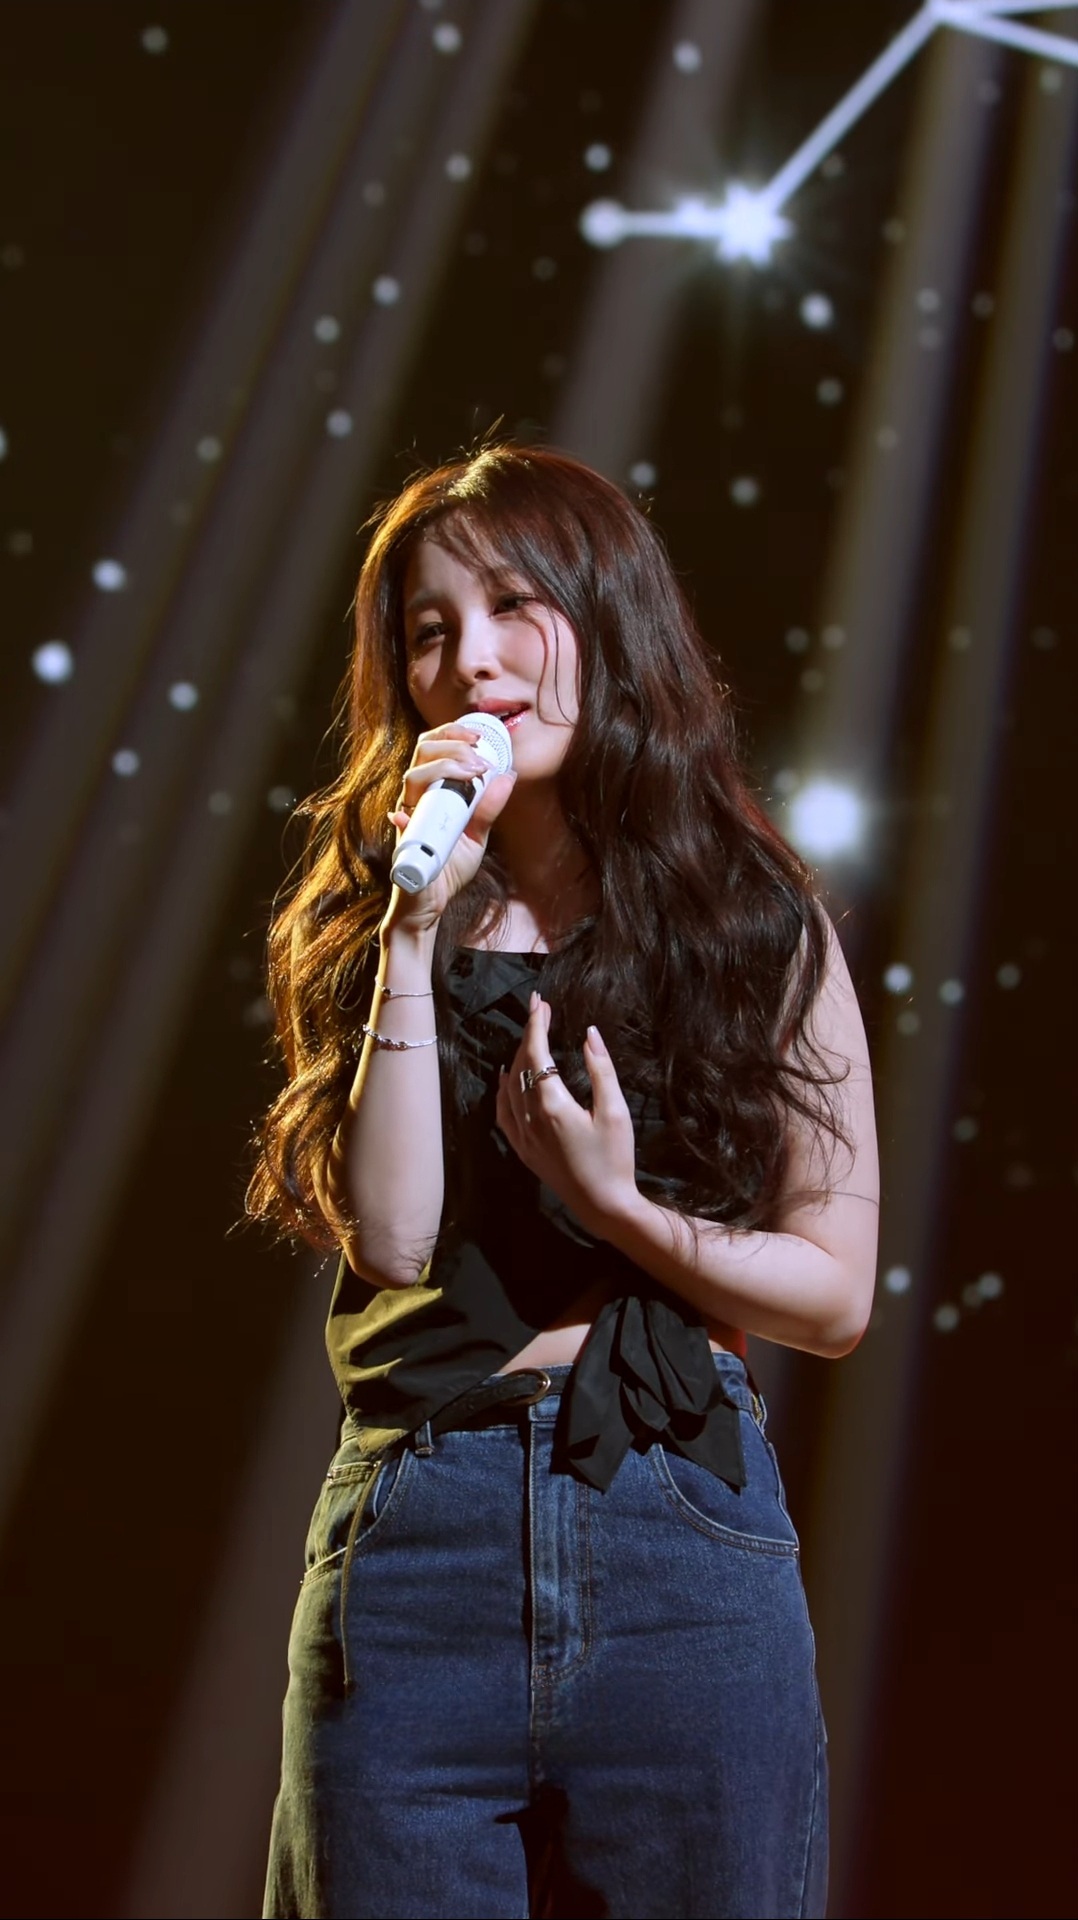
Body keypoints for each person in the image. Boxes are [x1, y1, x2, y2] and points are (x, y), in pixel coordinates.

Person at [248, 443, 879, 1920]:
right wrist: (415, 931)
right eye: (428, 631)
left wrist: (623, 1215)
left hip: (677, 1532)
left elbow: (834, 1295)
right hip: (419, 1534)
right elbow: (394, 1237)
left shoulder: (757, 923)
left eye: (512, 606)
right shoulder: (371, 920)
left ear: (606, 616)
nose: (469, 661)